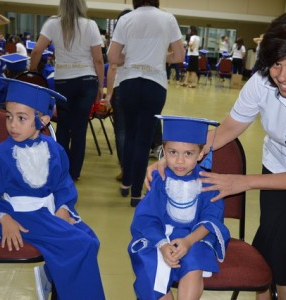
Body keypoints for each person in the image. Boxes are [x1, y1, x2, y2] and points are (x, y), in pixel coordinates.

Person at [145, 9, 286, 300]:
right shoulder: (262, 83)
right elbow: (225, 131)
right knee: (276, 243)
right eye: (276, 65)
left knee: (283, 247)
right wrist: (173, 158)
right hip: (277, 166)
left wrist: (244, 182)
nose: (282, 76)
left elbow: (243, 183)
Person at [0, 76, 105, 300]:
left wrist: (64, 207)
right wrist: (3, 218)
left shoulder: (55, 150)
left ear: (42, 120)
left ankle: (55, 280)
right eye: (9, 117)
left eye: (21, 118)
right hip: (21, 217)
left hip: (47, 212)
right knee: (79, 244)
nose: (12, 125)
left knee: (91, 240)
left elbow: (63, 184)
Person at [129, 115, 230, 300]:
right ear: (163, 151)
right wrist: (162, 244)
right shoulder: (159, 179)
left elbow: (212, 219)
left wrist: (188, 241)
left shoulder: (208, 183)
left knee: (195, 258)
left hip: (194, 237)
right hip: (160, 237)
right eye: (173, 152)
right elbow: (147, 217)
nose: (180, 161)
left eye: (188, 154)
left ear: (201, 154)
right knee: (149, 261)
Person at [107, 0, 185, 207]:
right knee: (144, 139)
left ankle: (126, 183)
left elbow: (113, 56)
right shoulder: (168, 18)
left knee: (130, 135)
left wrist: (132, 58)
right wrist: (159, 56)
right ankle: (136, 194)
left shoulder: (126, 19)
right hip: (155, 84)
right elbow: (179, 56)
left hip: (129, 83)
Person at [30, 0, 104, 181]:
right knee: (80, 129)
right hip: (87, 81)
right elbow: (98, 60)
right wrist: (100, 87)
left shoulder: (53, 23)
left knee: (63, 127)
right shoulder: (91, 25)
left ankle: (61, 170)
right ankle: (74, 174)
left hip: (63, 81)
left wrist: (32, 74)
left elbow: (36, 51)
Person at [104, 9, 132, 182]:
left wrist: (109, 95)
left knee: (121, 131)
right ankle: (136, 170)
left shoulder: (118, 42)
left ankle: (125, 169)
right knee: (136, 132)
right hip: (141, 89)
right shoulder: (143, 42)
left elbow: (113, 69)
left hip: (122, 88)